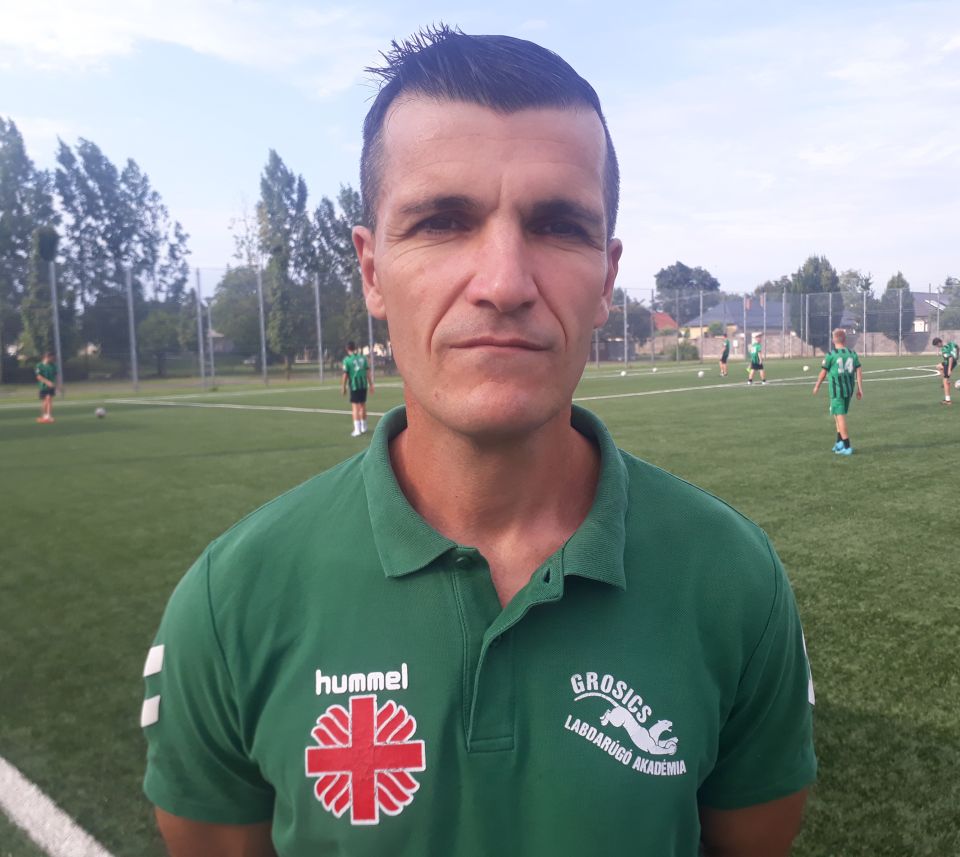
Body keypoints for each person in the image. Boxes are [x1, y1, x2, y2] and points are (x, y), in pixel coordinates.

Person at [142, 27, 815, 857]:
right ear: (371, 269)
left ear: (607, 278)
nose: (503, 282)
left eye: (557, 225)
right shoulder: (232, 601)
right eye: (442, 221)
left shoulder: (735, 582)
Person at [812, 328, 863, 455]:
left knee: (840, 418)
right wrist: (860, 388)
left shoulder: (831, 355)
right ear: (845, 340)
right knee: (836, 414)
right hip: (848, 390)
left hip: (837, 391)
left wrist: (817, 386)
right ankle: (839, 442)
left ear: (833, 340)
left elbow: (823, 373)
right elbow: (859, 371)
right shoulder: (852, 353)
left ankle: (847, 446)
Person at [341, 341, 374, 435]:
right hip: (363, 385)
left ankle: (357, 430)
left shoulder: (347, 360)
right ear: (355, 347)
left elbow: (345, 375)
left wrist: (343, 387)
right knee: (363, 406)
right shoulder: (363, 358)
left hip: (354, 386)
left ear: (347, 349)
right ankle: (364, 427)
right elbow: (367, 372)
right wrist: (371, 385)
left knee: (355, 407)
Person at [931, 336, 958, 404]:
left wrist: (949, 370)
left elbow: (950, 358)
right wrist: (957, 356)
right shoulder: (950, 343)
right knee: (938, 366)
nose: (937, 347)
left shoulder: (944, 349)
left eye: (936, 345)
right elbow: (957, 347)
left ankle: (948, 400)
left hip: (949, 363)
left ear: (939, 343)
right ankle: (947, 381)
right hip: (950, 362)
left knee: (945, 381)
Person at [35, 352, 57, 423]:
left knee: (49, 399)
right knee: (45, 401)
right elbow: (38, 376)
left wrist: (57, 384)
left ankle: (49, 416)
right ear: (46, 357)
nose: (52, 359)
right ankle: (44, 415)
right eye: (51, 357)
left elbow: (56, 375)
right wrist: (47, 382)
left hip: (51, 386)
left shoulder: (53, 365)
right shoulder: (39, 365)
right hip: (43, 386)